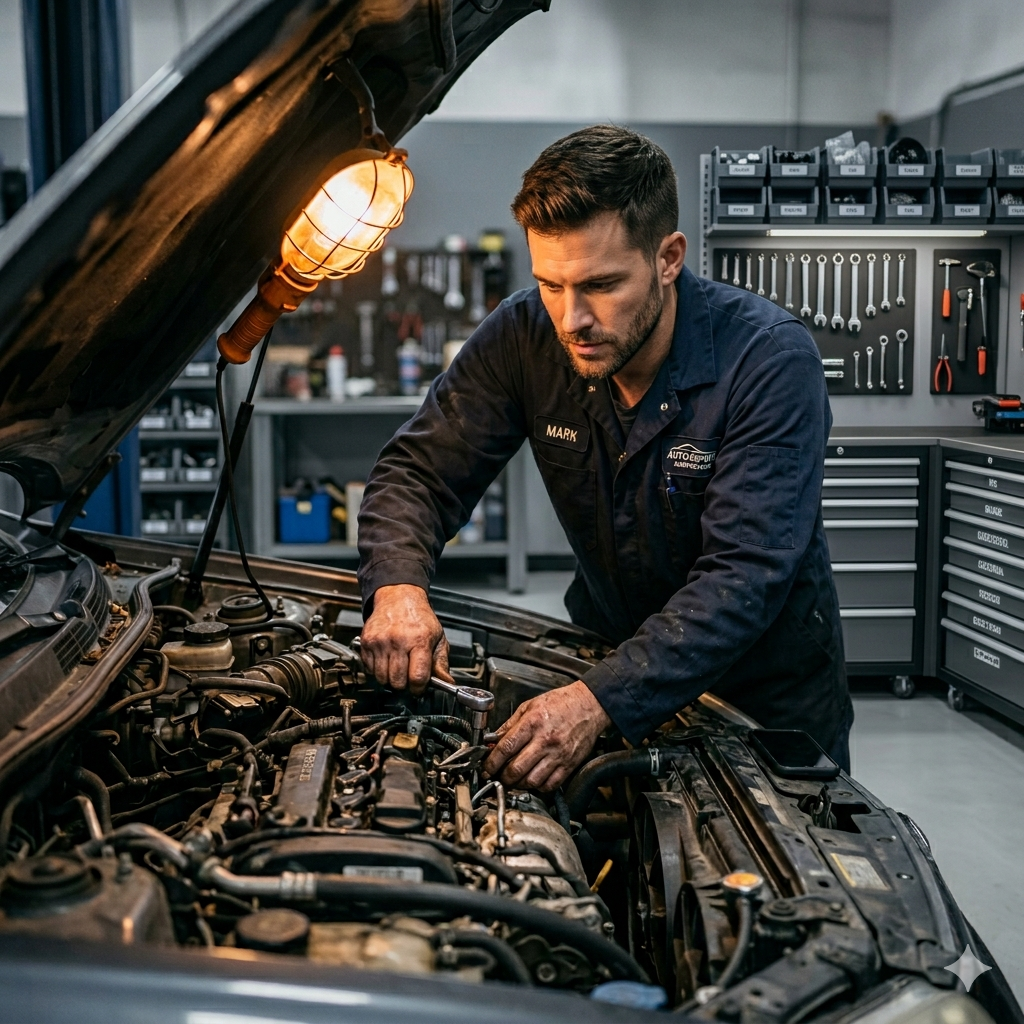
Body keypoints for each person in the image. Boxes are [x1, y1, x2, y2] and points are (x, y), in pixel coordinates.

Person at [356, 125, 852, 792]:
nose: (570, 319)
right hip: (606, 657)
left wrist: (597, 701)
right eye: (551, 285)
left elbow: (745, 572)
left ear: (668, 257)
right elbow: (420, 471)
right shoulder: (524, 332)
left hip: (764, 699)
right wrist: (397, 589)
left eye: (600, 285)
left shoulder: (767, 360)